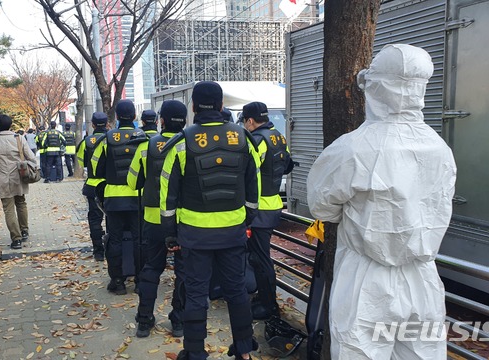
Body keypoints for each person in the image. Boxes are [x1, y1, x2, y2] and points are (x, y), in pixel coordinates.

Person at [306, 44, 457, 360]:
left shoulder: (351, 149)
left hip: (365, 281)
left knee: (359, 352)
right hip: (422, 278)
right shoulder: (439, 148)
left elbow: (321, 207)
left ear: (375, 88)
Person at [160, 81, 260, 360]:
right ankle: (243, 350)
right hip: (233, 233)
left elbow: (168, 196)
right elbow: (255, 189)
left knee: (195, 295)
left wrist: (171, 233)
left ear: (193, 107)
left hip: (193, 236)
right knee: (237, 291)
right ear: (221, 106)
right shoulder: (243, 139)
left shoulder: (181, 143)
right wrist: (245, 220)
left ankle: (194, 353)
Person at [128, 100, 187, 338]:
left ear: (162, 120)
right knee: (183, 271)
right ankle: (180, 321)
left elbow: (133, 182)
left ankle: (144, 320)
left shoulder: (147, 146)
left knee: (152, 267)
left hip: (153, 219)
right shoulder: (190, 145)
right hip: (184, 221)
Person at [241, 101, 294, 320]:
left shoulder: (257, 140)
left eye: (244, 122)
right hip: (273, 205)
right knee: (259, 257)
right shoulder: (278, 137)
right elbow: (288, 165)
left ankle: (268, 305)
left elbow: (247, 171)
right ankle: (263, 298)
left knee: (260, 259)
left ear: (250, 121)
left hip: (258, 209)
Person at [91, 99, 147, 295]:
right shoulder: (144, 137)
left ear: (115, 117)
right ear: (134, 116)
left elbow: (95, 167)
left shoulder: (107, 138)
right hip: (139, 199)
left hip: (113, 199)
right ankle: (140, 281)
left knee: (114, 240)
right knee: (140, 240)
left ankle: (118, 281)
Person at [0, 114, 36, 250]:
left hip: (2, 179)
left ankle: (16, 239)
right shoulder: (19, 138)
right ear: (10, 124)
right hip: (19, 176)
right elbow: (31, 157)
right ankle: (24, 231)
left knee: (8, 209)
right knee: (21, 203)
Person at [76, 112, 108, 261]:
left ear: (93, 125)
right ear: (107, 124)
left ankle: (98, 252)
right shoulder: (112, 139)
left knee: (95, 219)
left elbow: (82, 162)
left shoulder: (86, 141)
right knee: (113, 220)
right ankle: (112, 249)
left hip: (93, 185)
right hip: (110, 186)